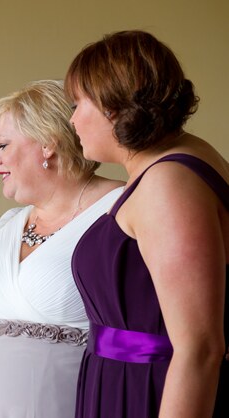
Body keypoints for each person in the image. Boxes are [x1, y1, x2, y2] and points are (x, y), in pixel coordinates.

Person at [65, 30, 229, 418]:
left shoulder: (168, 183)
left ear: (113, 105)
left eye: (77, 104)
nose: (71, 119)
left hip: (150, 393)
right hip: (127, 383)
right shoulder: (174, 163)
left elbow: (200, 348)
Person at [0, 80, 124, 417]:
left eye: (3, 145)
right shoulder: (5, 226)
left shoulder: (120, 208)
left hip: (69, 401)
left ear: (48, 144)